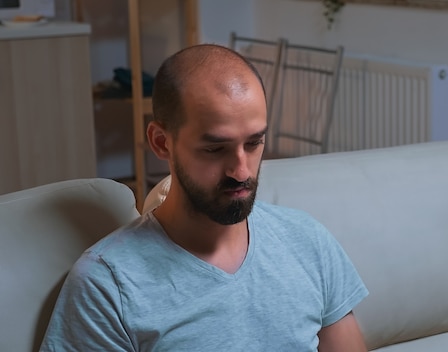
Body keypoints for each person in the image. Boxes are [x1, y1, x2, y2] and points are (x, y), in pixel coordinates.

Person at [40, 44, 369, 351]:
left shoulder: (307, 241)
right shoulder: (107, 286)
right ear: (161, 142)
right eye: (215, 149)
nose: (241, 171)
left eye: (254, 143)